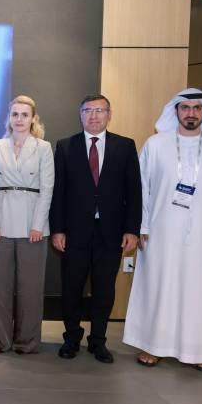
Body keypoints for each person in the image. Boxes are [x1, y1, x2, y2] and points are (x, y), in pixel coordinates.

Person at [123, 89, 202, 372]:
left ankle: (200, 349)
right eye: (185, 108)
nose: (191, 113)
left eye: (196, 108)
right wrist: (142, 225)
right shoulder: (155, 145)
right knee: (159, 286)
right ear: (175, 111)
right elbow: (141, 189)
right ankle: (153, 346)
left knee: (199, 291)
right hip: (159, 232)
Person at [50, 94, 142, 363]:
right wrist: (57, 229)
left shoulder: (125, 146)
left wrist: (132, 229)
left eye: (99, 110)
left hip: (111, 233)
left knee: (104, 290)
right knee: (72, 289)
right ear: (80, 115)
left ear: (109, 115)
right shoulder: (65, 146)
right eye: (88, 110)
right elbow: (58, 193)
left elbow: (134, 192)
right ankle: (71, 339)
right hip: (74, 233)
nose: (93, 115)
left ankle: (98, 341)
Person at [0, 95, 54, 354]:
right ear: (9, 118)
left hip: (32, 223)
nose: (20, 119)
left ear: (33, 118)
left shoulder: (43, 147)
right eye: (15, 114)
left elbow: (47, 188)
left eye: (25, 115)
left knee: (30, 287)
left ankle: (27, 341)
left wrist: (38, 224)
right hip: (0, 222)